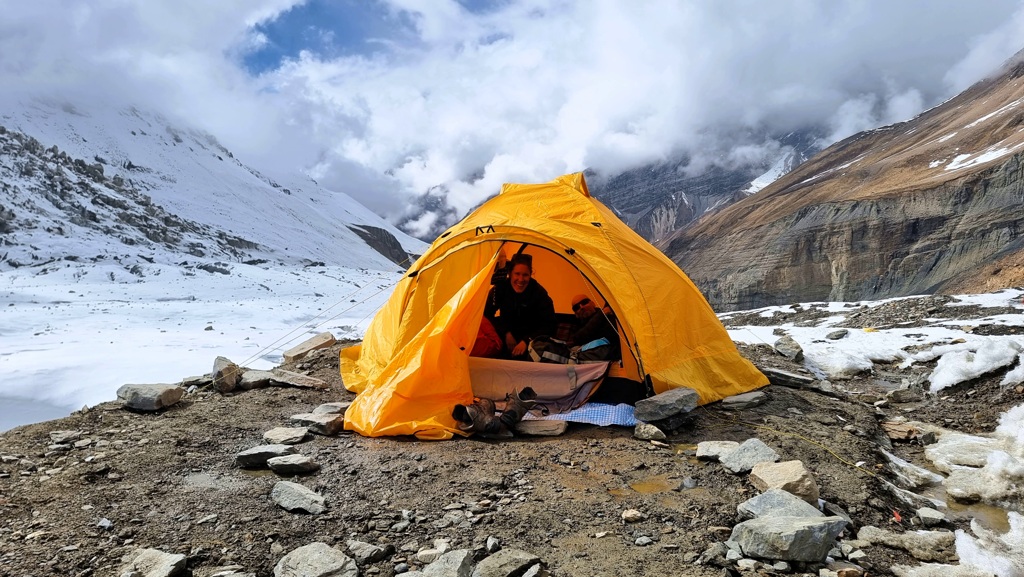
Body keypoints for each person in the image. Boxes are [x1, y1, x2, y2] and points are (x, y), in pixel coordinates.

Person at [483, 253, 556, 360]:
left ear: (530, 275)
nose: (521, 279)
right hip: (506, 337)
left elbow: (549, 324)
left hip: (531, 339)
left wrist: (527, 341)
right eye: (517, 274)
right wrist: (505, 332)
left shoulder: (539, 293)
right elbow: (486, 314)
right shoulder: (500, 288)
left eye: (525, 275)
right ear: (510, 274)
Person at [567, 294, 620, 361]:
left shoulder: (609, 316)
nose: (581, 307)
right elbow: (578, 338)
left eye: (584, 302)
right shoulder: (577, 326)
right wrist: (602, 314)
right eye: (576, 307)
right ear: (576, 314)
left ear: (593, 303)